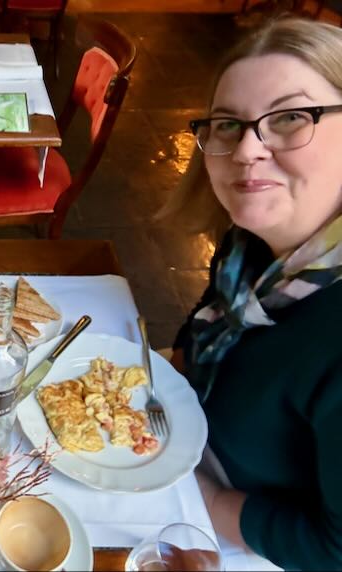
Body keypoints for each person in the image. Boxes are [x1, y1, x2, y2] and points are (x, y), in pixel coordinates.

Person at [164, 17, 342, 571]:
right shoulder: (248, 247)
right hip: (184, 455)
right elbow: (204, 328)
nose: (246, 150)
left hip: (246, 537)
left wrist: (209, 502)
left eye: (290, 117)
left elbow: (333, 548)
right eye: (227, 125)